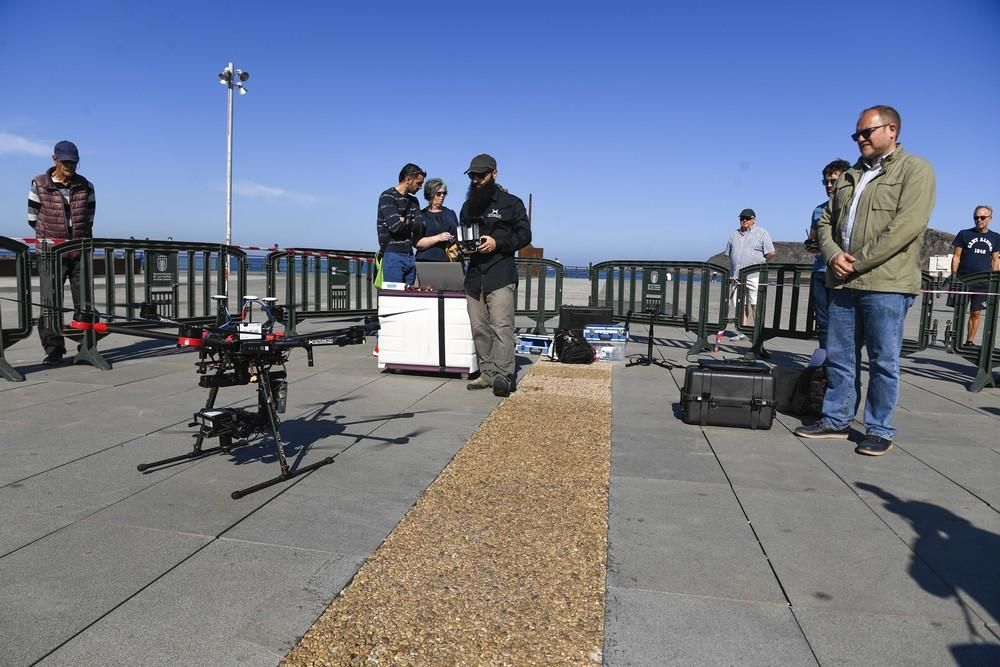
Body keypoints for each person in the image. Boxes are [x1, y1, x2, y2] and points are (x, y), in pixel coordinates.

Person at [796, 105, 936, 457]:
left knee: (883, 360)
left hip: (886, 284)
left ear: (891, 130)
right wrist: (832, 256)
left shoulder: (915, 169)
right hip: (842, 282)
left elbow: (906, 226)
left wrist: (855, 262)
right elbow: (825, 222)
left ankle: (879, 428)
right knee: (841, 356)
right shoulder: (849, 176)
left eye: (866, 133)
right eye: (856, 134)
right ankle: (836, 420)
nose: (860, 139)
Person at [461, 153, 531, 397]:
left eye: (481, 175)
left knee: (501, 327)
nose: (476, 179)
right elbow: (463, 233)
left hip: (500, 273)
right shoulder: (468, 206)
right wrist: (462, 246)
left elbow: (524, 236)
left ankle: (503, 375)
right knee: (479, 327)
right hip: (474, 276)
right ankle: (487, 372)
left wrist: (497, 242)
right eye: (473, 176)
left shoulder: (512, 203)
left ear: (494, 174)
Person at [28, 140, 96, 365]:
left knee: (85, 303)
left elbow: (89, 217)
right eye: (65, 161)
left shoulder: (87, 185)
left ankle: (86, 346)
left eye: (73, 162)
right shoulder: (39, 183)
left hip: (80, 252)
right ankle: (54, 349)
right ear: (54, 159)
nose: (70, 166)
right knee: (50, 303)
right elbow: (32, 218)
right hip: (51, 253)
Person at [807, 159, 852, 349]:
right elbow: (814, 238)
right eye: (825, 181)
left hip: (844, 272)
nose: (829, 185)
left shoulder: (854, 208)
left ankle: (841, 365)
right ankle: (826, 364)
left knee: (843, 324)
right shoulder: (818, 210)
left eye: (833, 181)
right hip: (820, 271)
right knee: (823, 323)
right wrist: (811, 245)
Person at [950, 205, 1000, 345]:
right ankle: (955, 340)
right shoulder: (964, 234)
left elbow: (996, 260)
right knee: (959, 312)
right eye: (976, 217)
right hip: (963, 279)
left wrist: (996, 281)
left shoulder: (995, 238)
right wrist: (954, 276)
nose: (979, 220)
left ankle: (969, 341)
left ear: (990, 218)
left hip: (983, 282)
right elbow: (956, 257)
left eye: (982, 217)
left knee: (976, 312)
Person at [724, 208, 775, 339]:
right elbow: (729, 253)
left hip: (754, 275)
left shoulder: (762, 233)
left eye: (746, 218)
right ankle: (743, 331)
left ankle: (758, 332)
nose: (744, 221)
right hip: (736, 276)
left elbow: (770, 252)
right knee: (740, 304)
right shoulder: (733, 235)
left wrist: (760, 263)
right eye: (741, 218)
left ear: (754, 219)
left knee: (755, 303)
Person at [376, 163, 425, 284]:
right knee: (394, 299)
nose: (420, 187)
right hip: (392, 255)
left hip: (409, 255)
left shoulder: (414, 201)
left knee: (408, 299)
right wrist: (410, 222)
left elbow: (421, 227)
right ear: (408, 180)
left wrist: (404, 220)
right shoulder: (387, 196)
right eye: (418, 183)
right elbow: (395, 226)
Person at [414, 178, 458, 262]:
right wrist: (438, 238)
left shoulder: (451, 213)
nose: (442, 196)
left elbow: (458, 237)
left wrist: (453, 239)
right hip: (426, 260)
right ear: (430, 194)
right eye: (438, 193)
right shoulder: (421, 215)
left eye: (444, 193)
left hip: (449, 260)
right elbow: (417, 243)